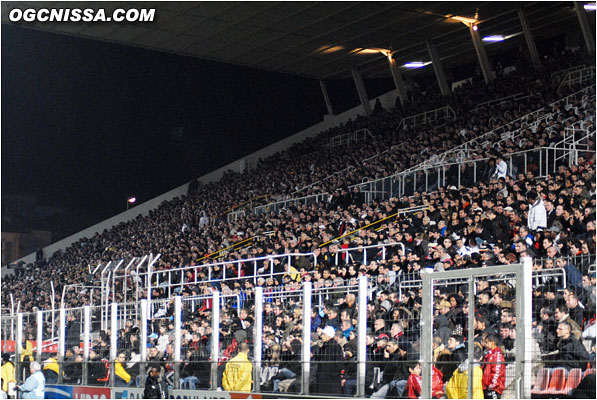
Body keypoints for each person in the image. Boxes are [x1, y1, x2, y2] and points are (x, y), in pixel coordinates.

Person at [481, 334, 505, 399]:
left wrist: (492, 385)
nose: (485, 344)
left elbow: (497, 372)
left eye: (487, 342)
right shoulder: (489, 354)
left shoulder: (497, 355)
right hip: (486, 386)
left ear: (493, 342)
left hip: (493, 389)